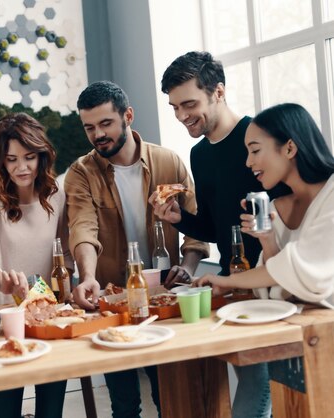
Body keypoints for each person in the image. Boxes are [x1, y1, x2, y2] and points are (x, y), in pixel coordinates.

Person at [65, 80, 209, 417]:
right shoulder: (80, 173)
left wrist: (187, 268)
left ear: (127, 116)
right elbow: (83, 227)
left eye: (105, 124)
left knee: (171, 397)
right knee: (124, 403)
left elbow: (195, 227)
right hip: (113, 303)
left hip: (166, 297)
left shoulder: (168, 162)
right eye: (89, 127)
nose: (98, 134)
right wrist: (86, 276)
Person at [154, 51, 283, 418]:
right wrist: (180, 219)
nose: (181, 116)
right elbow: (213, 227)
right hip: (234, 284)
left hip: (276, 280)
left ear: (218, 92)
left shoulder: (258, 137)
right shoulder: (199, 154)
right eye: (174, 107)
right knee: (255, 387)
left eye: (189, 104)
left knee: (258, 392)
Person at [0, 112, 72, 418]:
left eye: (29, 157)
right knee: (3, 412)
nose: (21, 167)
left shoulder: (58, 196)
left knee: (50, 412)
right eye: (11, 159)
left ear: (42, 155)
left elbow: (65, 257)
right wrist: (2, 282)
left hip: (50, 320)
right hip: (8, 322)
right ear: (1, 160)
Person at [194, 103, 334, 305]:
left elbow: (304, 269)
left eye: (255, 150)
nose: (248, 162)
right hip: (295, 324)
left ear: (289, 148)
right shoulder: (276, 207)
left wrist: (229, 281)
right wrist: (267, 239)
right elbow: (280, 281)